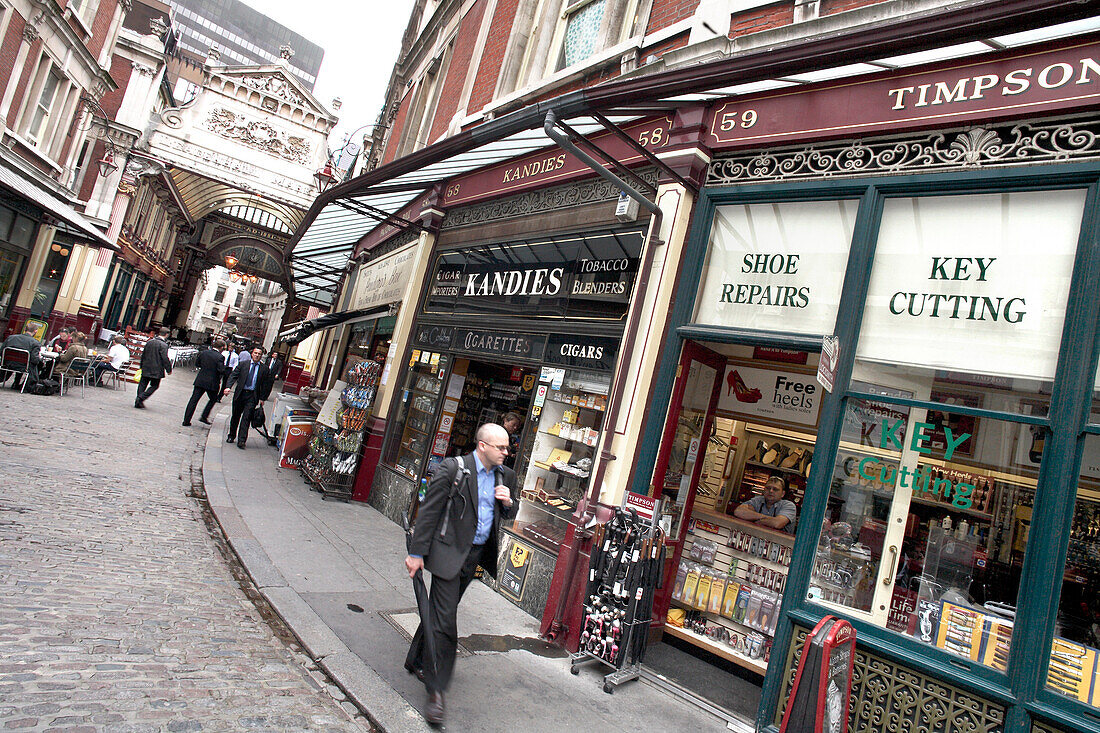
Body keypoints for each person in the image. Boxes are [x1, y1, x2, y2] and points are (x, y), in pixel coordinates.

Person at [404, 423, 518, 725]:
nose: (507, 452)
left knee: (443, 610)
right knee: (446, 623)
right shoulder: (454, 469)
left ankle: (415, 658)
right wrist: (416, 553)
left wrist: (508, 503)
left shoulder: (506, 475)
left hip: (474, 556)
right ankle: (436, 692)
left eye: (508, 447)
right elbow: (429, 511)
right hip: (446, 552)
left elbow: (508, 512)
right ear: (482, 445)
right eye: (501, 447)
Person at [223, 346, 272, 448]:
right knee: (235, 416)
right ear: (251, 354)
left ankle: (242, 440)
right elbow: (233, 376)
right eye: (255, 353)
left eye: (259, 354)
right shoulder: (243, 365)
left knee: (246, 418)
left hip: (252, 396)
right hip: (240, 394)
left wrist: (263, 398)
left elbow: (266, 384)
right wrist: (228, 387)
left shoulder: (264, 369)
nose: (257, 355)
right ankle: (231, 435)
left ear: (261, 356)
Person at [183, 339, 227, 426]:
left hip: (201, 380)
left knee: (194, 400)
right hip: (212, 382)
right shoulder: (220, 357)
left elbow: (197, 364)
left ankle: (186, 420)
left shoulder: (204, 353)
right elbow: (221, 370)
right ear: (221, 347)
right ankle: (204, 416)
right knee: (213, 399)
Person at [135, 327, 173, 409]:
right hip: (156, 368)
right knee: (155, 385)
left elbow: (143, 354)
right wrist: (168, 369)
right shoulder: (163, 345)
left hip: (146, 366)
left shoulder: (150, 342)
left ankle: (138, 401)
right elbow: (165, 358)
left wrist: (141, 365)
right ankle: (141, 398)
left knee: (142, 384)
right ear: (166, 334)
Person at [1, 323, 43, 389]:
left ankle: (16, 382)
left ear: (24, 329)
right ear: (35, 331)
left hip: (8, 363)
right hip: (23, 366)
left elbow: (1, 352)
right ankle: (21, 384)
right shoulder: (35, 343)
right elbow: (34, 360)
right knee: (32, 363)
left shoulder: (11, 338)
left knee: (23, 361)